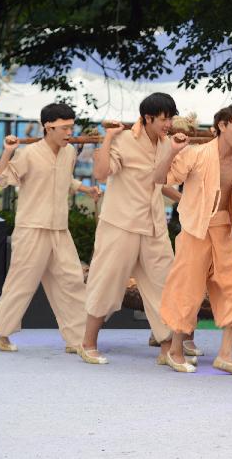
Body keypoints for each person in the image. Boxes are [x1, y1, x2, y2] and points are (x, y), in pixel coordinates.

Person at [0, 103, 100, 353]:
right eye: (64, 128)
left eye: (71, 127)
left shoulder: (69, 151)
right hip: (31, 228)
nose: (69, 132)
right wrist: (8, 152)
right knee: (22, 282)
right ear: (47, 127)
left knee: (71, 280)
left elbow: (65, 178)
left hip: (59, 228)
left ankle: (77, 338)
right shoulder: (28, 153)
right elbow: (2, 180)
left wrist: (85, 189)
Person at [79, 93, 178, 365]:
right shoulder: (123, 139)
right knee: (106, 282)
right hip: (120, 224)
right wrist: (108, 137)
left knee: (165, 284)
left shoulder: (168, 143)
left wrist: (183, 198)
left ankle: (167, 347)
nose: (168, 123)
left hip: (154, 225)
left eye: (170, 118)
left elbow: (161, 181)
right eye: (163, 118)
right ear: (148, 118)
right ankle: (87, 343)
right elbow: (100, 174)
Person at [154, 105, 232, 375]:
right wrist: (173, 151)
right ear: (221, 126)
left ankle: (226, 354)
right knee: (187, 290)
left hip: (224, 229)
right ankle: (174, 350)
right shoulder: (196, 154)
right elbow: (160, 178)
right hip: (196, 229)